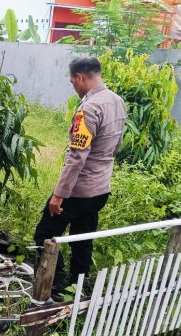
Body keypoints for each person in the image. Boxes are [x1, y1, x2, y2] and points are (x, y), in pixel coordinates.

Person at [33, 56, 127, 295]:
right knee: (82, 239)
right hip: (101, 188)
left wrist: (58, 196)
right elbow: (117, 145)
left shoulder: (88, 109)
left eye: (73, 82)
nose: (74, 86)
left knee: (45, 235)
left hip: (79, 191)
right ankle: (78, 289)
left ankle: (53, 285)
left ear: (81, 78)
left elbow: (76, 157)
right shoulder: (117, 101)